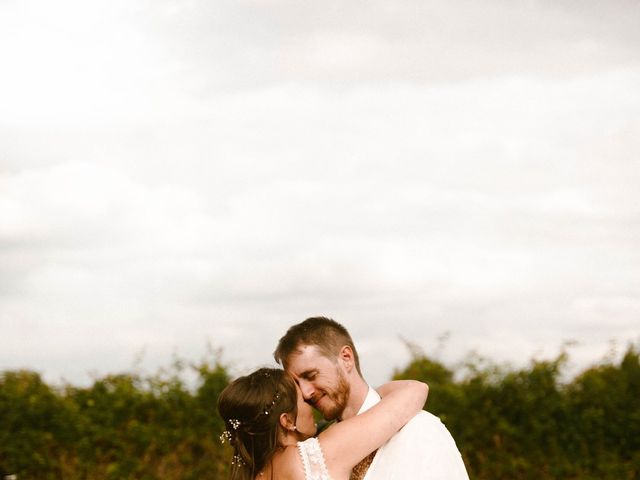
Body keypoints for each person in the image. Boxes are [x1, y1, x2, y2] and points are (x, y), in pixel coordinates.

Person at [273, 316, 469, 480]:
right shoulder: (320, 448)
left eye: (311, 375)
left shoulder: (420, 429)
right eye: (297, 384)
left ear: (346, 358)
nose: (306, 392)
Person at [217, 367, 428, 480]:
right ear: (288, 421)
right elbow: (415, 390)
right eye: (302, 399)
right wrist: (375, 396)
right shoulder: (316, 455)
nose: (310, 401)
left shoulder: (252, 474)